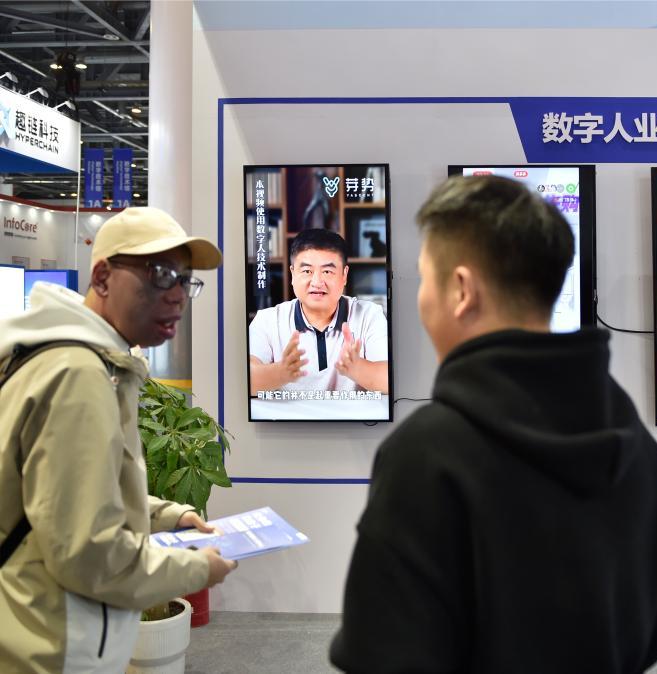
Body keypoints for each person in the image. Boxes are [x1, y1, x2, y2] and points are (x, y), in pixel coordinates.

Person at [330, 175, 657, 673]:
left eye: (424, 279)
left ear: (461, 290)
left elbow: (382, 652)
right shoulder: (631, 434)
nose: (422, 299)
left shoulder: (425, 455)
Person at [0, 207, 237, 672]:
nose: (177, 296)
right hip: (50, 647)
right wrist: (196, 569)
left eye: (184, 280)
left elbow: (63, 493)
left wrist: (167, 515)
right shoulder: (79, 376)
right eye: (160, 274)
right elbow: (89, 555)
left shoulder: (60, 356)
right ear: (103, 277)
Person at [248, 228, 389, 396]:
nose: (316, 282)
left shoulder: (369, 315)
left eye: (327, 271)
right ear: (293, 274)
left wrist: (358, 368)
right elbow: (245, 379)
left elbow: (389, 381)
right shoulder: (268, 320)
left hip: (351, 414)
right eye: (307, 271)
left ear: (344, 275)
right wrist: (280, 372)